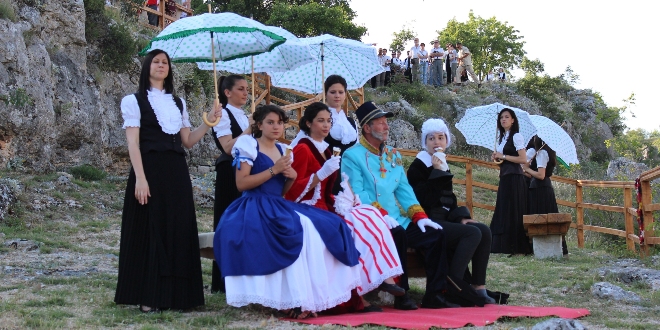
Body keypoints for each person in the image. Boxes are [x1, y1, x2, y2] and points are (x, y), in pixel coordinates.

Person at [213, 105, 361, 319]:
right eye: (270, 122)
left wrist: (290, 177)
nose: (276, 127)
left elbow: (282, 191)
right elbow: (242, 184)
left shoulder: (284, 150)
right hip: (253, 203)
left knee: (327, 224)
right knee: (294, 228)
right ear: (259, 125)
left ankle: (310, 296)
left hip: (277, 202)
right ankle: (287, 298)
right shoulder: (248, 144)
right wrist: (274, 170)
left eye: (280, 123)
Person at [115, 49, 221, 313]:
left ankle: (180, 295)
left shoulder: (179, 102)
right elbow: (133, 143)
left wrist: (208, 122)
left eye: (165, 62)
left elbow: (187, 141)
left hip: (176, 171)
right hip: (149, 169)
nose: (161, 65)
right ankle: (149, 294)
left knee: (178, 227)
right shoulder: (133, 100)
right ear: (147, 66)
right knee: (152, 229)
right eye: (156, 61)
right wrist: (140, 178)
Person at [285, 102, 405, 312]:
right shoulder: (303, 148)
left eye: (329, 121)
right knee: (347, 230)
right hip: (307, 207)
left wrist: (348, 199)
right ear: (307, 123)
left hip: (326, 204)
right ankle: (356, 296)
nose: (326, 125)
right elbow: (292, 191)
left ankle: (383, 276)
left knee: (367, 215)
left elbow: (329, 189)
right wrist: (320, 174)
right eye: (320, 120)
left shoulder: (327, 150)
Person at [343, 101, 458, 310]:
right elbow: (357, 193)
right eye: (380, 123)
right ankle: (401, 294)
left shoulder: (393, 155)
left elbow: (404, 190)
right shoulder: (352, 155)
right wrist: (381, 214)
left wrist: (420, 217)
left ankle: (435, 295)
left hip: (397, 218)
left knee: (435, 235)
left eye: (386, 122)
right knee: (398, 234)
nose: (386, 127)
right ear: (367, 128)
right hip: (371, 219)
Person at [407, 118, 496, 304]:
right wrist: (437, 172)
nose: (436, 142)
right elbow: (423, 200)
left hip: (445, 218)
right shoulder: (418, 166)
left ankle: (478, 287)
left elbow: (449, 200)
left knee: (484, 231)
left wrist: (461, 217)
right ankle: (453, 286)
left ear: (446, 141)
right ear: (425, 142)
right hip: (426, 220)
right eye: (431, 138)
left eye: (441, 137)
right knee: (471, 234)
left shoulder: (442, 163)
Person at [210, 75, 252, 293]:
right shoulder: (222, 115)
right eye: (241, 89)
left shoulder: (244, 115)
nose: (246, 93)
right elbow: (227, 146)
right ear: (227, 92)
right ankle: (223, 280)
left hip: (247, 171)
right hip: (229, 172)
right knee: (228, 222)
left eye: (247, 89)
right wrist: (249, 130)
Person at [489, 108, 532, 255]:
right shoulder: (503, 138)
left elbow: (523, 159)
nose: (503, 119)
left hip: (515, 177)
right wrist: (497, 158)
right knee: (504, 209)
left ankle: (515, 246)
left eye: (507, 117)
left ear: (513, 120)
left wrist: (504, 156)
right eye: (501, 117)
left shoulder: (516, 136)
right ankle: (502, 245)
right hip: (506, 176)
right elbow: (505, 158)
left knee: (513, 210)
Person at [523, 136, 568, 256]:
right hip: (541, 187)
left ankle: (546, 250)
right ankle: (542, 249)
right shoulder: (544, 152)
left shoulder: (542, 153)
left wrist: (527, 168)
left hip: (540, 188)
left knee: (540, 216)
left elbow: (541, 175)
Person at [321, 75, 359, 194]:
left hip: (351, 173)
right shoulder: (320, 120)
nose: (337, 95)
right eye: (332, 92)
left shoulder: (351, 122)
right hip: (330, 173)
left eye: (341, 92)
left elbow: (357, 150)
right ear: (326, 93)